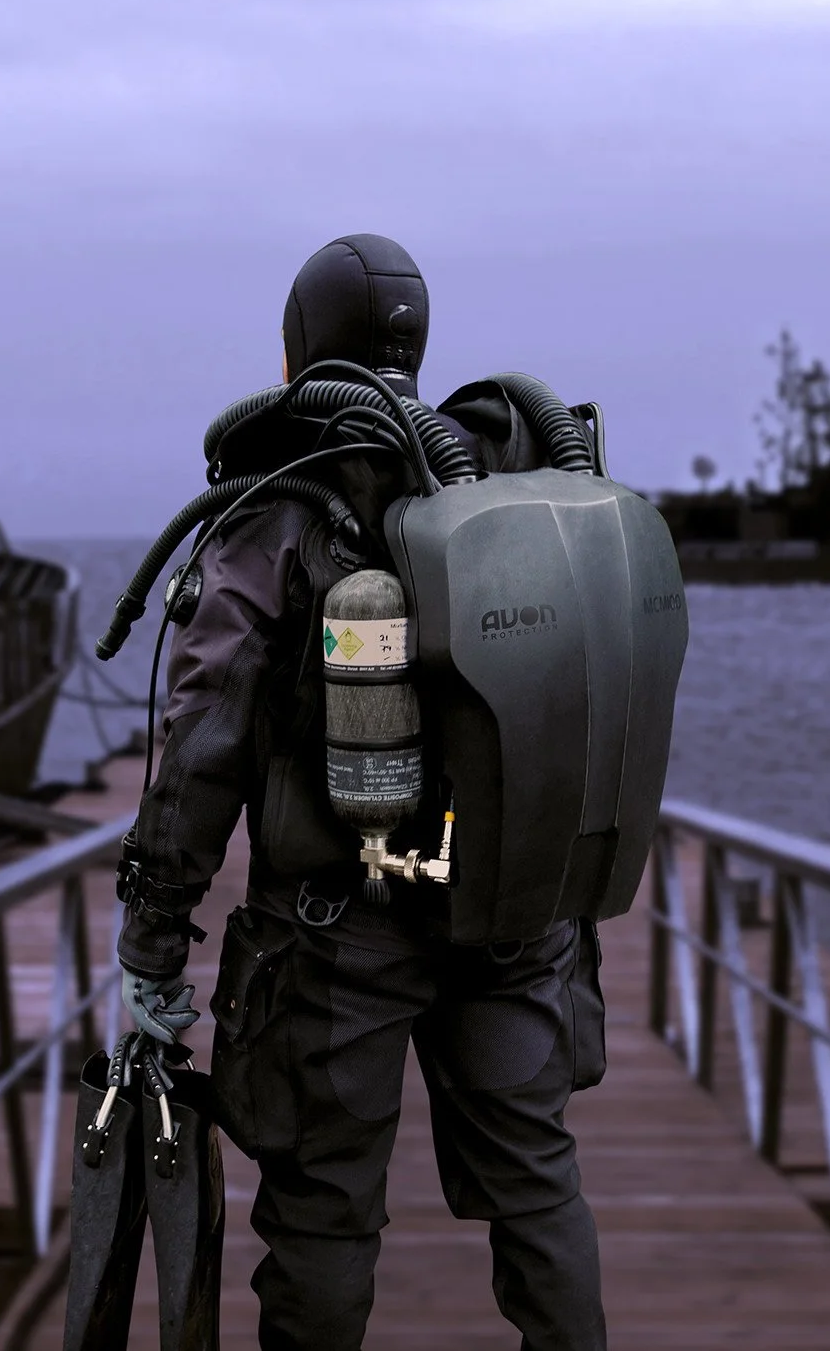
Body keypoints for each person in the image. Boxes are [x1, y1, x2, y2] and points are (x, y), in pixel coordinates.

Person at [114, 234, 609, 1351]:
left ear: (298, 350)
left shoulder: (281, 506)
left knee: (325, 1221)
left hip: (337, 934)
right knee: (537, 1190)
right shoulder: (509, 494)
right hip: (514, 917)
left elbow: (201, 733)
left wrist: (152, 936)